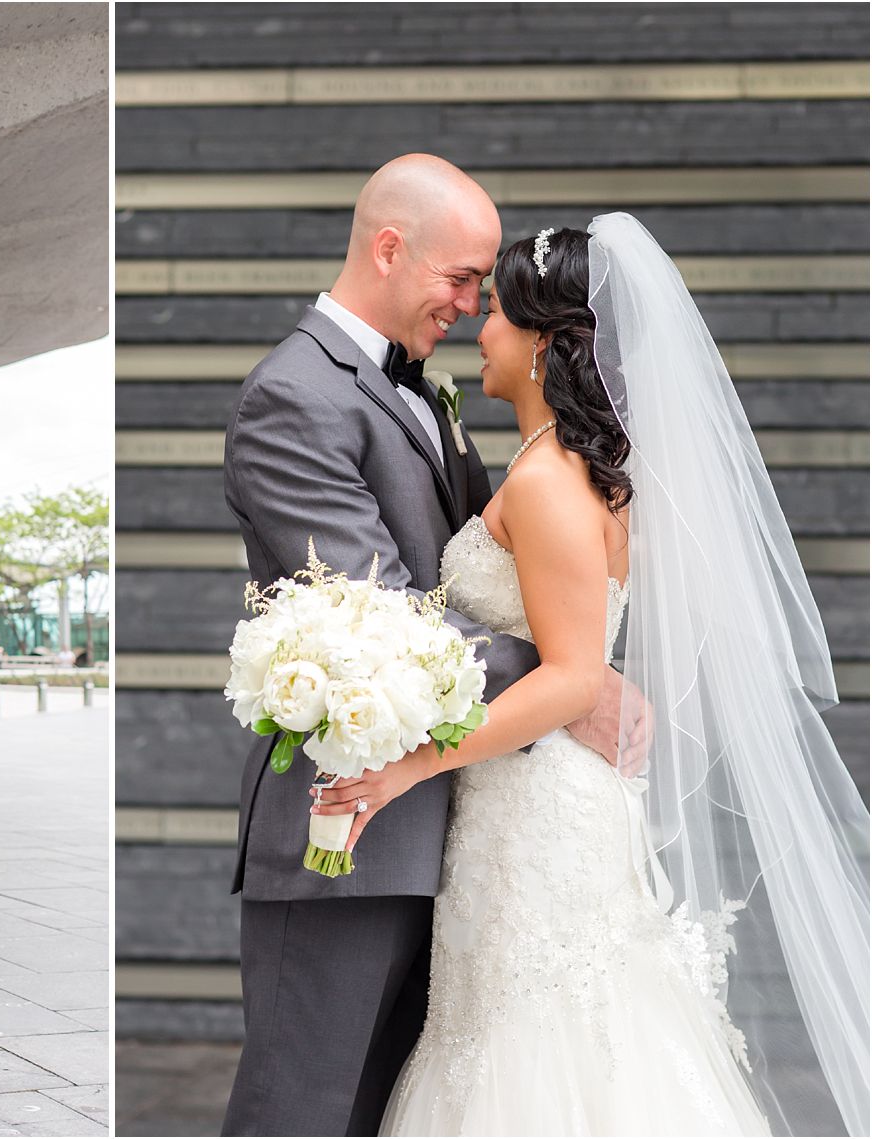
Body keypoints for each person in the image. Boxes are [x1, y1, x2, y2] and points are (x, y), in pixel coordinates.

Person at [312, 219, 869, 1134]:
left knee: (540, 1045)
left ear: (540, 343)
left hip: (540, 809)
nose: (477, 328)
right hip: (522, 800)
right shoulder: (567, 470)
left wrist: (408, 763)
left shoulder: (550, 481)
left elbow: (573, 679)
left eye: (493, 312)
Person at [220, 155, 648, 1136]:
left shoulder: (430, 395)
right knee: (301, 1107)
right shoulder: (293, 398)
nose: (469, 303)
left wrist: (568, 667)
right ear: (386, 248)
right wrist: (570, 680)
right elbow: (377, 614)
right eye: (462, 278)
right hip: (349, 819)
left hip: (457, 817)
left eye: (487, 288)